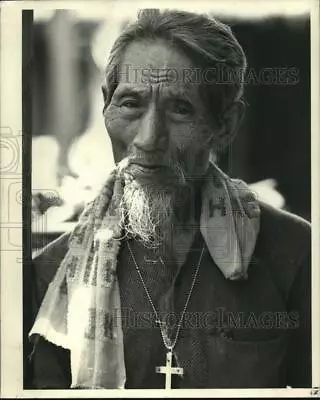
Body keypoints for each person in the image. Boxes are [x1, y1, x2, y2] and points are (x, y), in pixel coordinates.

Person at [28, 9, 311, 389]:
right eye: (131, 103)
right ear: (106, 105)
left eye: (180, 109)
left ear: (225, 126)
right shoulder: (53, 274)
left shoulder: (292, 253)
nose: (148, 138)